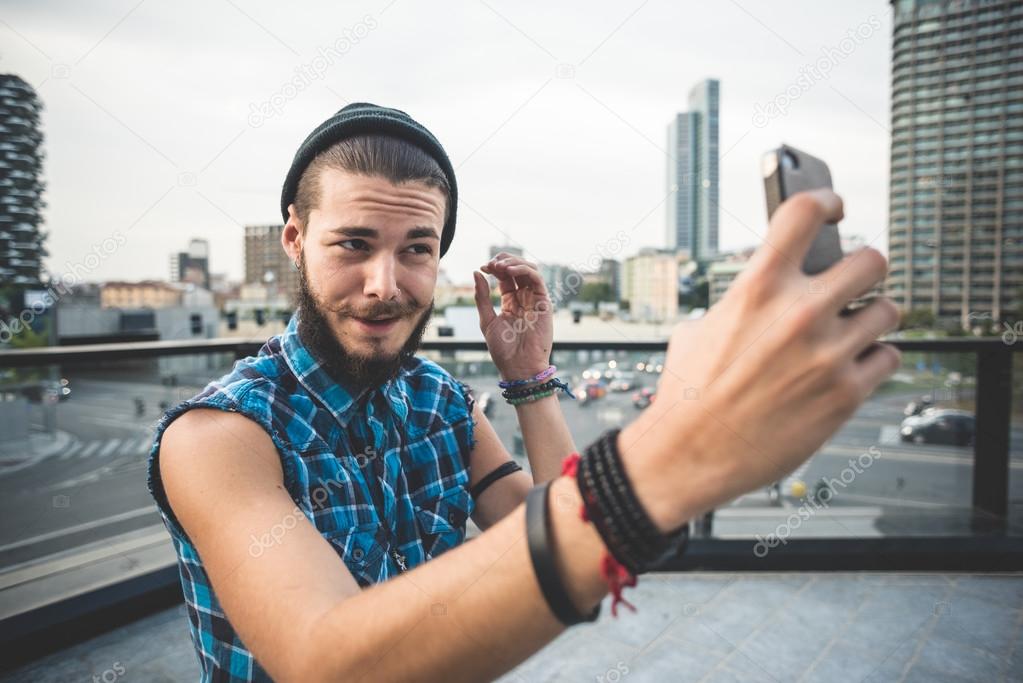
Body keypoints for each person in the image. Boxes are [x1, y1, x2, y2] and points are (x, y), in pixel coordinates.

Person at [148, 102, 901, 682]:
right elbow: (325, 660)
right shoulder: (218, 437)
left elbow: (569, 541)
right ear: (293, 239)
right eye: (353, 244)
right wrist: (672, 453)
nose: (385, 285)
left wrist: (529, 377)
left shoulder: (438, 402)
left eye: (416, 250)